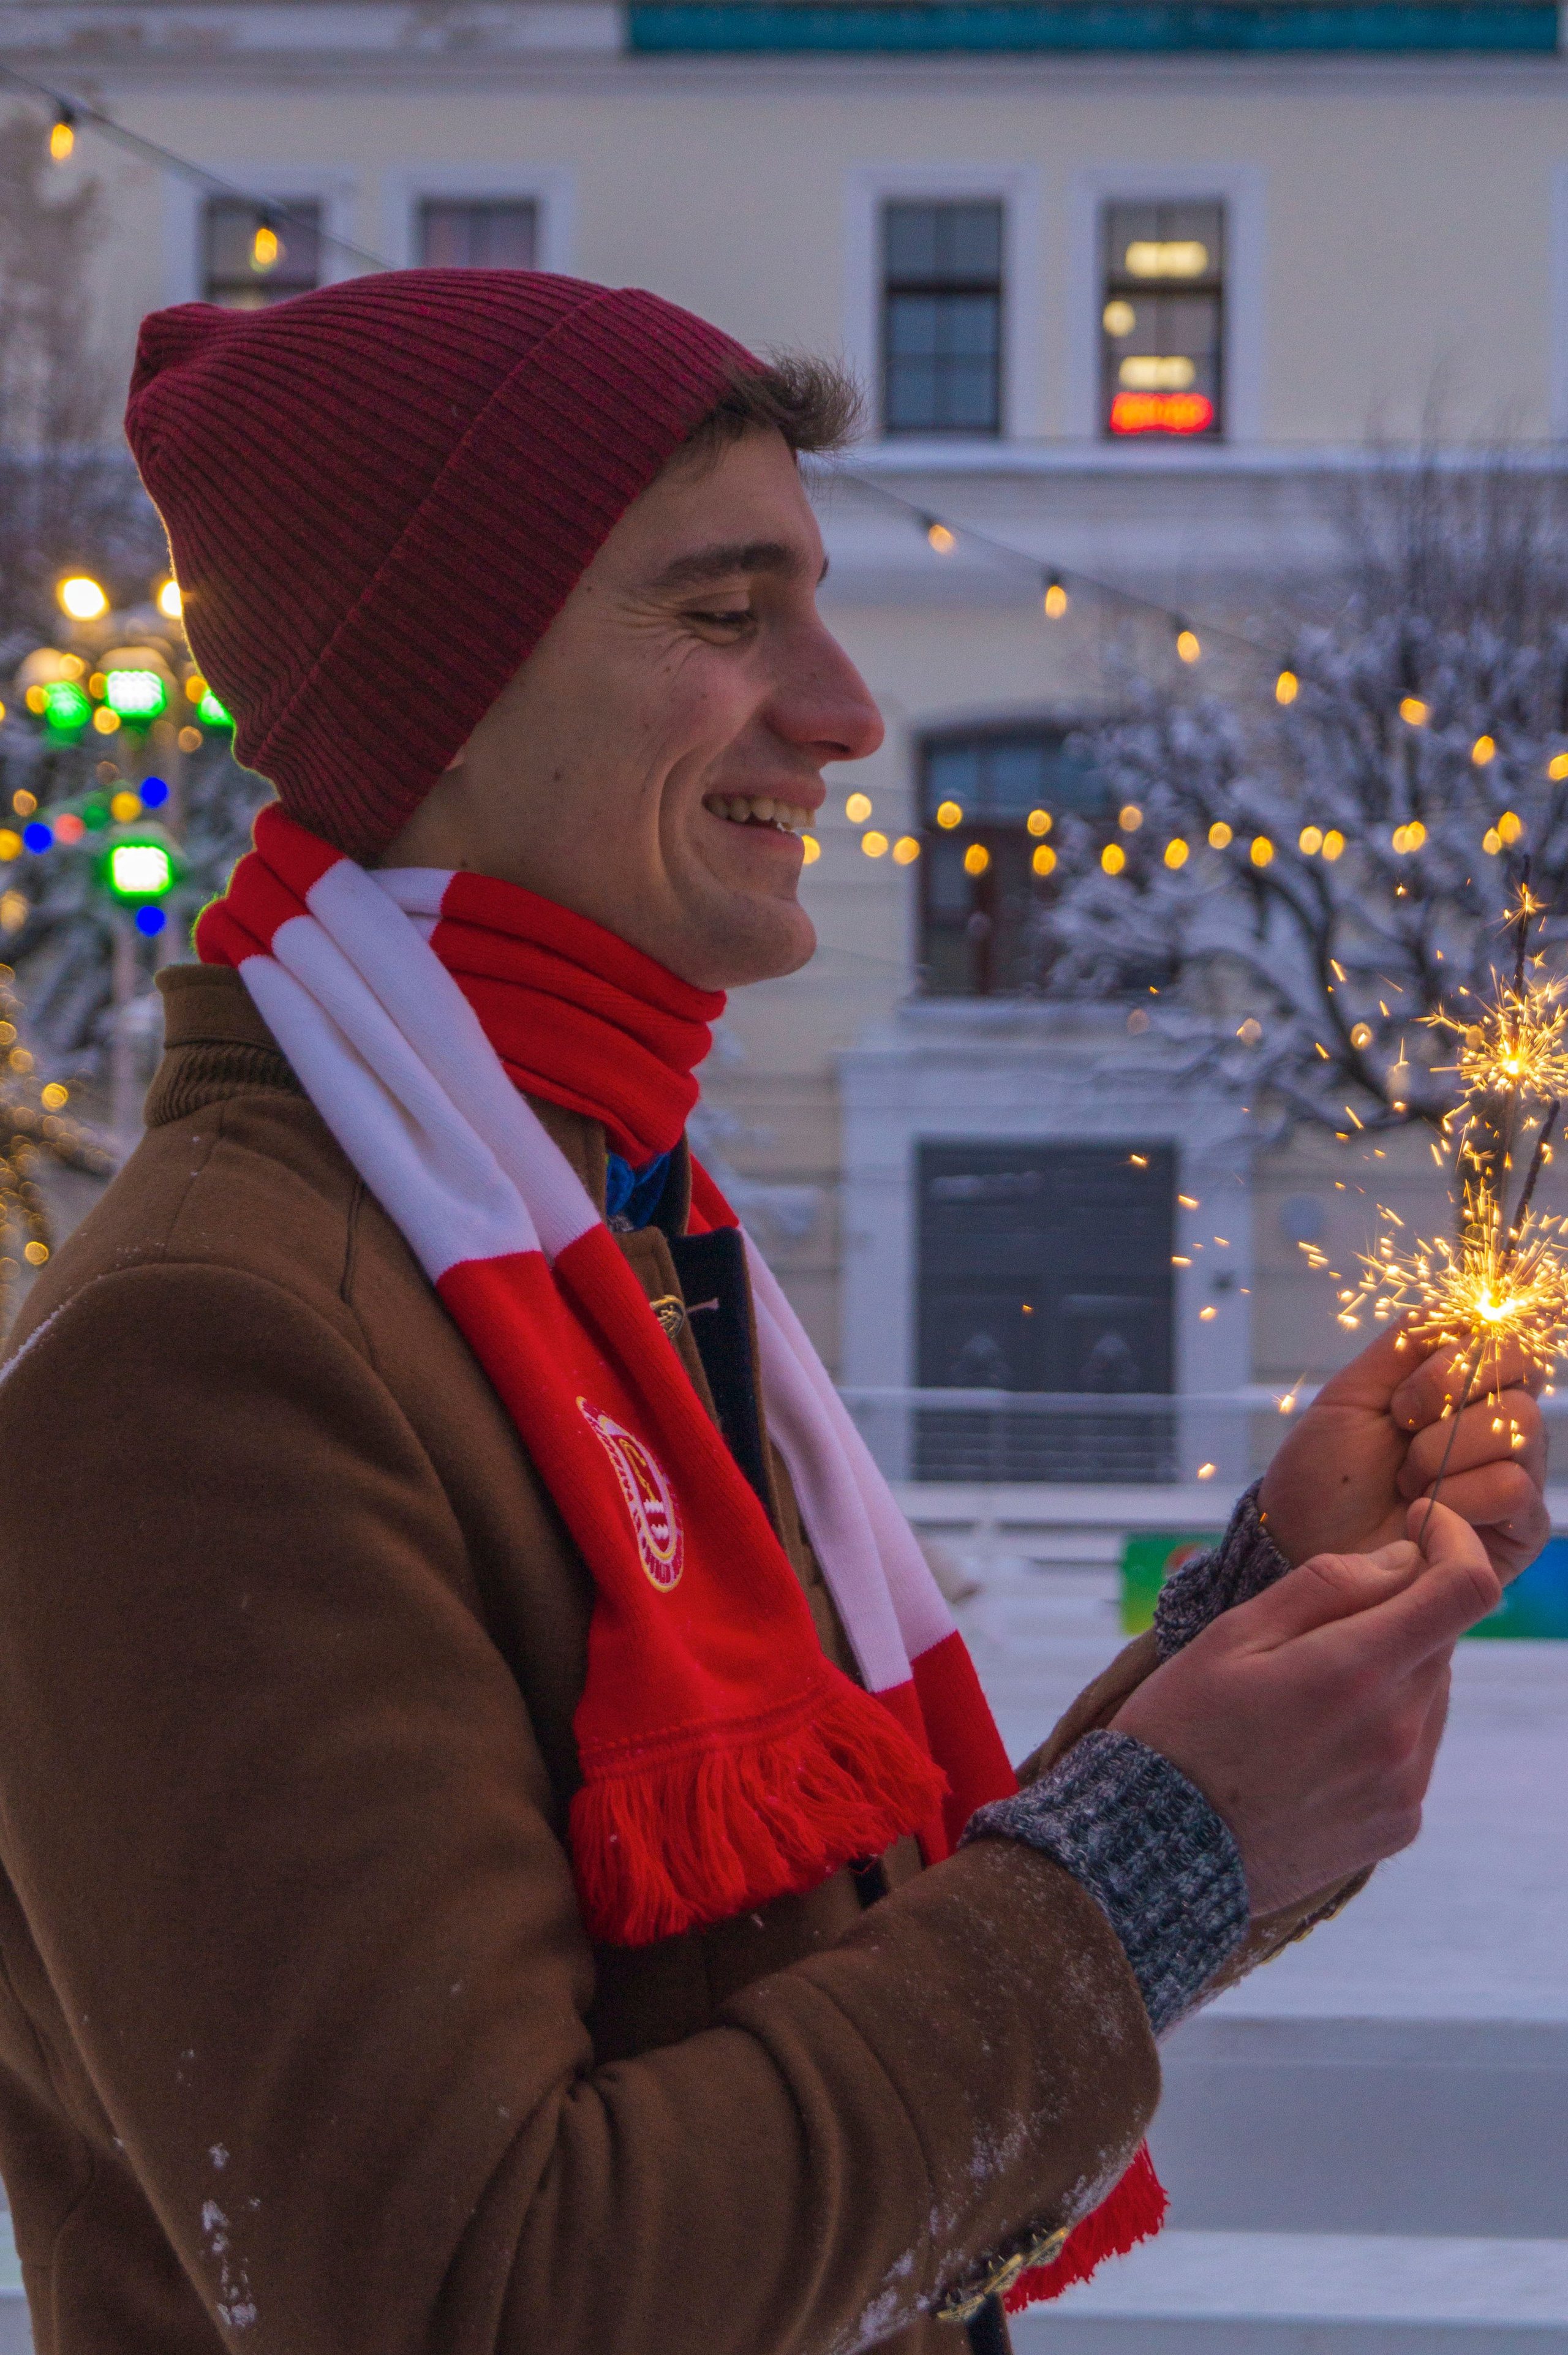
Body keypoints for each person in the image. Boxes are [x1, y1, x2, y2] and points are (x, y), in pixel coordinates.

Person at [0, 270, 1544, 2355]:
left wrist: (1253, 1641)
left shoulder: (592, 1233)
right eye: (728, 617)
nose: (844, 710)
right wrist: (1161, 1848)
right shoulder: (217, 1353)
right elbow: (480, 2292)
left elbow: (789, 2010)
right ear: (435, 694)